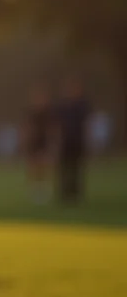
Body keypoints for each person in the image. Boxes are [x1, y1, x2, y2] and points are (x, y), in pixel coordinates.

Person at [54, 76, 91, 205]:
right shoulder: (62, 106)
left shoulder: (83, 105)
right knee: (64, 168)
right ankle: (64, 193)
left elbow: (87, 124)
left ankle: (76, 193)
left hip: (77, 141)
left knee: (77, 168)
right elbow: (57, 125)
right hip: (65, 142)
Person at [24, 84, 54, 202]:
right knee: (33, 166)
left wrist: (52, 142)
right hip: (33, 142)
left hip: (43, 142)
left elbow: (51, 128)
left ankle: (43, 189)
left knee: (43, 166)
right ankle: (34, 189)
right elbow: (26, 127)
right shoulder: (31, 112)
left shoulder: (48, 113)